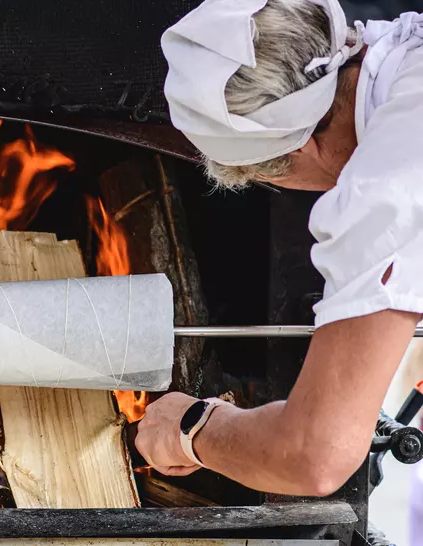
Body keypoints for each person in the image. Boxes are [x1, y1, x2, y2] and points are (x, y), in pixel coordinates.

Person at [135, 0, 423, 497]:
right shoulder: (405, 50)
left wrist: (194, 428)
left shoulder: (379, 192)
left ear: (296, 151)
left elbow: (314, 456)